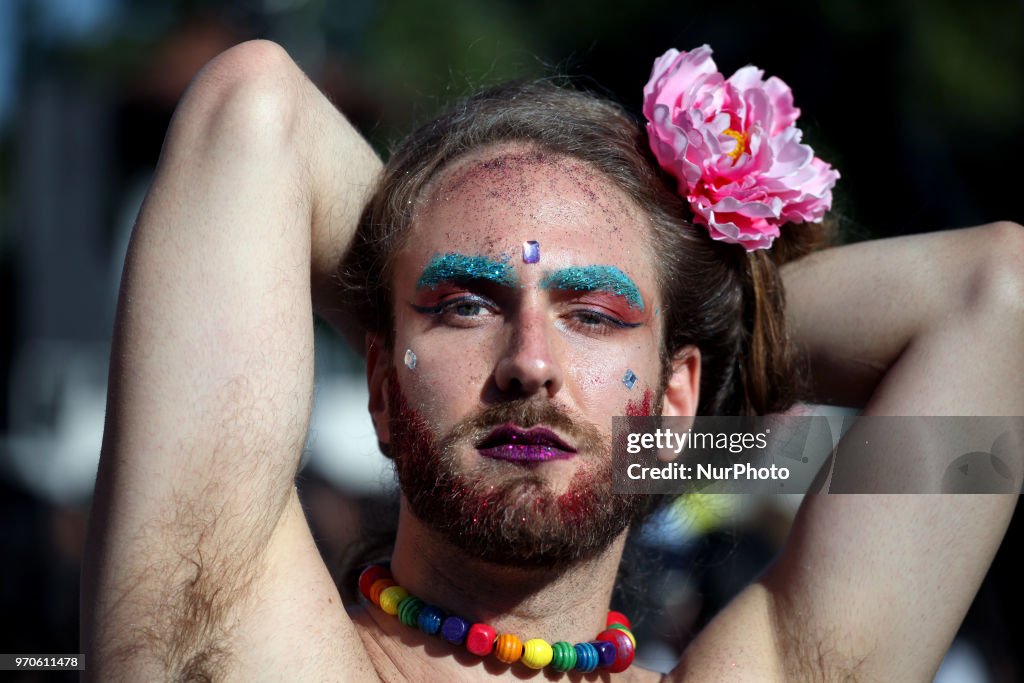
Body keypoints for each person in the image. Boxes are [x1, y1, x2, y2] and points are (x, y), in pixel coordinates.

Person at [81, 39, 1023, 682]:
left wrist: (673, 401)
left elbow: (997, 293)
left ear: (680, 393)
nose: (529, 362)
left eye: (593, 316)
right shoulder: (236, 637)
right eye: (467, 305)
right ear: (376, 378)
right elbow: (254, 107)